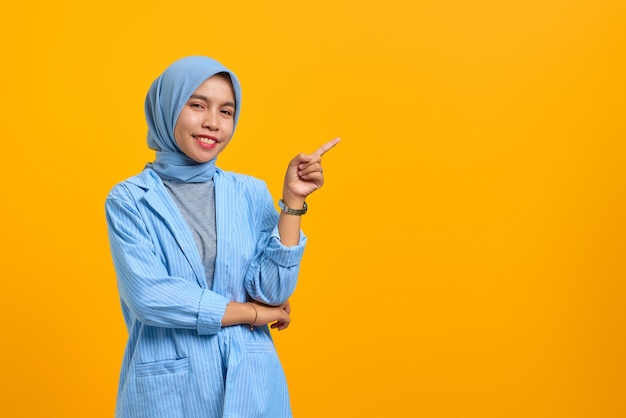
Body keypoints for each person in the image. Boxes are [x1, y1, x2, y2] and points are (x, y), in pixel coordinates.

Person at [105, 56, 339, 418]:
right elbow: (150, 298)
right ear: (167, 108)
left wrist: (292, 202)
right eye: (197, 105)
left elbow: (273, 290)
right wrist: (253, 313)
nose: (213, 123)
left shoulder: (249, 192)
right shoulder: (130, 200)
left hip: (253, 386)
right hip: (172, 394)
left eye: (226, 111)